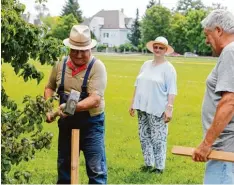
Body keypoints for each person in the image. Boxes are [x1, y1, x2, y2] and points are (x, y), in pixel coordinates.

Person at [44, 25, 107, 184]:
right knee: (64, 168)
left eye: (83, 50)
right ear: (69, 48)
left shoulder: (97, 67)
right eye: (74, 50)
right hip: (66, 123)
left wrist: (71, 108)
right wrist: (49, 108)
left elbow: (95, 99)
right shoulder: (60, 64)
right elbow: (49, 87)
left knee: (96, 170)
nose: (78, 55)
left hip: (92, 124)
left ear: (90, 48)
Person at [192, 9, 234, 184]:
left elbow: (229, 101)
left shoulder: (230, 52)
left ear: (218, 30)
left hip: (225, 150)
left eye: (207, 34)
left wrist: (206, 143)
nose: (206, 40)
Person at [129, 36, 177, 174]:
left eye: (161, 48)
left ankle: (159, 167)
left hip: (157, 108)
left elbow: (172, 91)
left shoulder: (169, 69)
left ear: (165, 50)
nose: (157, 50)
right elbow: (137, 84)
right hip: (142, 106)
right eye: (155, 47)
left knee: (158, 138)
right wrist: (133, 103)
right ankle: (148, 163)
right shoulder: (145, 64)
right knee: (144, 135)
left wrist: (169, 108)